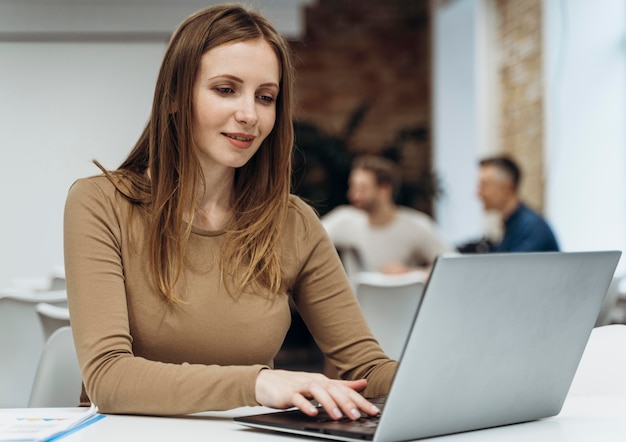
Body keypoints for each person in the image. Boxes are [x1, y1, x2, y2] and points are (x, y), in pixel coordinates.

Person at [63, 4, 396, 419]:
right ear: (174, 98)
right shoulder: (100, 204)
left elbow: (365, 367)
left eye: (265, 97)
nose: (249, 115)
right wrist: (258, 383)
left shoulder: (293, 223)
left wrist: (448, 377)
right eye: (225, 89)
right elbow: (109, 379)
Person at [321, 155, 452, 276]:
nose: (353, 195)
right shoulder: (344, 220)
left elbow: (451, 265)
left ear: (384, 190)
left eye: (362, 188)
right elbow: (306, 240)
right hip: (357, 300)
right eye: (352, 187)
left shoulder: (415, 225)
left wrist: (411, 273)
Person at [477, 155, 559, 252]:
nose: (478, 193)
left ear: (507, 188)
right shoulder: (514, 226)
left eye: (484, 186)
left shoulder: (532, 229)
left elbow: (512, 266)